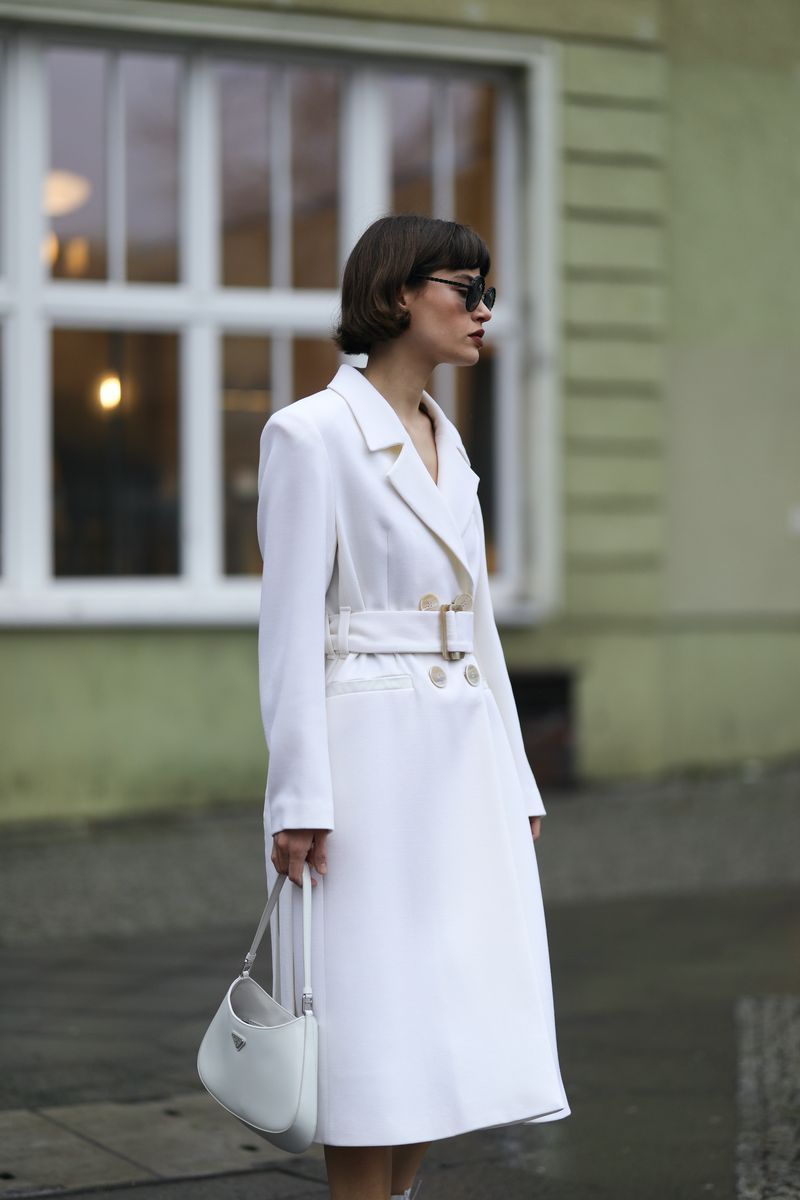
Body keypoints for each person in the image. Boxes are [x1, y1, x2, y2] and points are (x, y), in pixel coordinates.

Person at [256, 213, 571, 1200]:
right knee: (372, 1029)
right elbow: (286, 627)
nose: (483, 309)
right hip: (368, 762)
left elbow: (477, 627)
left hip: (458, 757)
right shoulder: (309, 435)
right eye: (462, 287)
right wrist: (297, 795)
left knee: (442, 1019)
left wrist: (513, 775)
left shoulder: (449, 443)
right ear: (397, 295)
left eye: (487, 291)